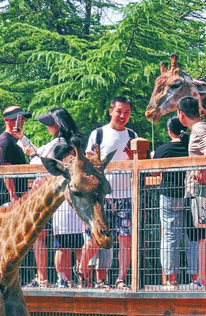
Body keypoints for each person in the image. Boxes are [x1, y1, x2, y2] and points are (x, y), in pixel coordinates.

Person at [81, 96, 137, 290]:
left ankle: (121, 279)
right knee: (96, 237)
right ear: (111, 111)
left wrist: (134, 159)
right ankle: (81, 270)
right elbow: (88, 164)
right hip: (102, 197)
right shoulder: (98, 134)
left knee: (125, 239)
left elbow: (140, 162)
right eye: (119, 111)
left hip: (126, 194)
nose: (123, 116)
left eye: (127, 112)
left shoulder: (133, 135)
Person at [0, 105, 49, 287]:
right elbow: (5, 171)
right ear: (7, 120)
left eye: (22, 119)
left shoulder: (16, 140)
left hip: (21, 196)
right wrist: (13, 196)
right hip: (10, 198)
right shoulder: (4, 142)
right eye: (16, 119)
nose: (21, 122)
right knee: (10, 239)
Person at [177, 96, 206, 290]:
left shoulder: (197, 129)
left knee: (202, 234)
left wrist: (202, 169)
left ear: (181, 114)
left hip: (199, 190)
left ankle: (202, 280)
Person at [35, 108, 83, 288]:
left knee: (62, 243)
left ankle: (63, 280)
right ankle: (79, 280)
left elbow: (38, 160)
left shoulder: (58, 143)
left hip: (62, 199)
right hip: (75, 198)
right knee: (76, 242)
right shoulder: (73, 142)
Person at [153, 115, 198, 290]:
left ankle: (171, 280)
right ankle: (196, 279)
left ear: (169, 131)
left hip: (169, 196)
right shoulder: (190, 147)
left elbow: (155, 174)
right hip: (189, 195)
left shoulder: (163, 149)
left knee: (170, 238)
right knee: (192, 238)